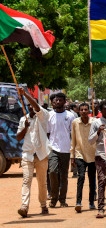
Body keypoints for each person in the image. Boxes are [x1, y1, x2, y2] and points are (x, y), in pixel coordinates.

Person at [16, 88, 51, 217]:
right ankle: (24, 206)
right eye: (29, 105)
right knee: (26, 180)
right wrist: (25, 127)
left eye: (33, 104)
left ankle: (43, 205)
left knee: (42, 182)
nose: (31, 107)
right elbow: (18, 137)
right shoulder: (23, 119)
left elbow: (37, 107)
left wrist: (25, 93)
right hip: (27, 155)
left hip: (41, 155)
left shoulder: (42, 116)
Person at [48, 92, 76, 208]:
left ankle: (62, 199)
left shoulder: (70, 116)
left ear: (65, 102)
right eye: (56, 100)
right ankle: (53, 198)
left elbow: (73, 134)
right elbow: (47, 132)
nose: (58, 102)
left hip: (66, 149)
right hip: (53, 149)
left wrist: (73, 150)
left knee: (64, 175)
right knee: (53, 172)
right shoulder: (49, 115)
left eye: (60, 100)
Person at [70, 103, 97, 213]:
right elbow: (73, 139)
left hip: (93, 154)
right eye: (82, 110)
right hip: (79, 153)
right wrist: (72, 156)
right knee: (81, 177)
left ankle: (91, 202)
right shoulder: (75, 122)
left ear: (89, 111)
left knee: (92, 179)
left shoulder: (94, 122)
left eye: (86, 109)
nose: (84, 111)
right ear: (79, 111)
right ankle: (78, 202)